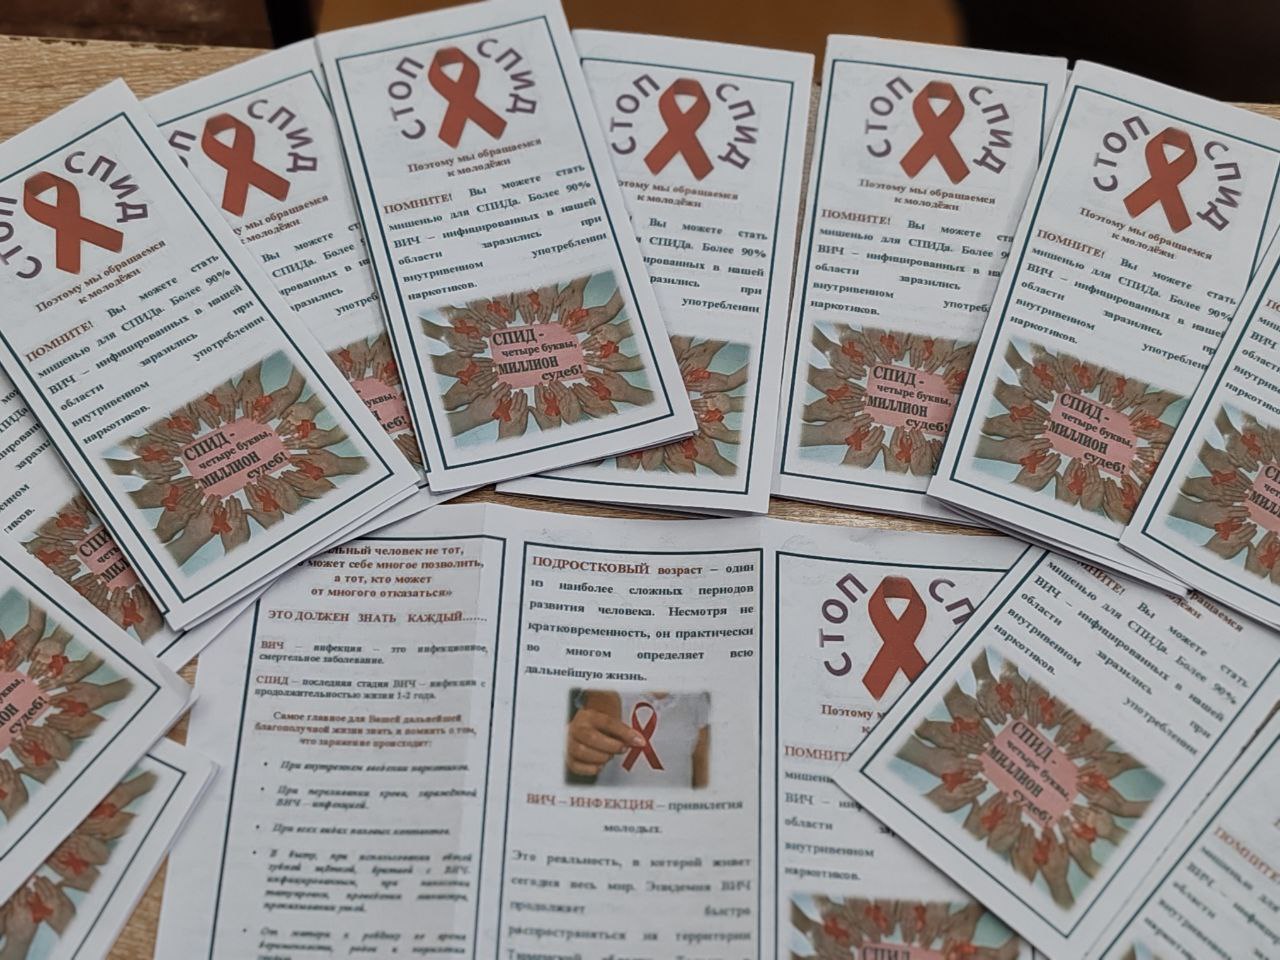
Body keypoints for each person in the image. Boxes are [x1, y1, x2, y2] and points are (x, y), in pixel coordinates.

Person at [566, 689, 709, 788]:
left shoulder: (697, 698)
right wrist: (593, 728)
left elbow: (702, 762)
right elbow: (601, 702)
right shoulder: (608, 686)